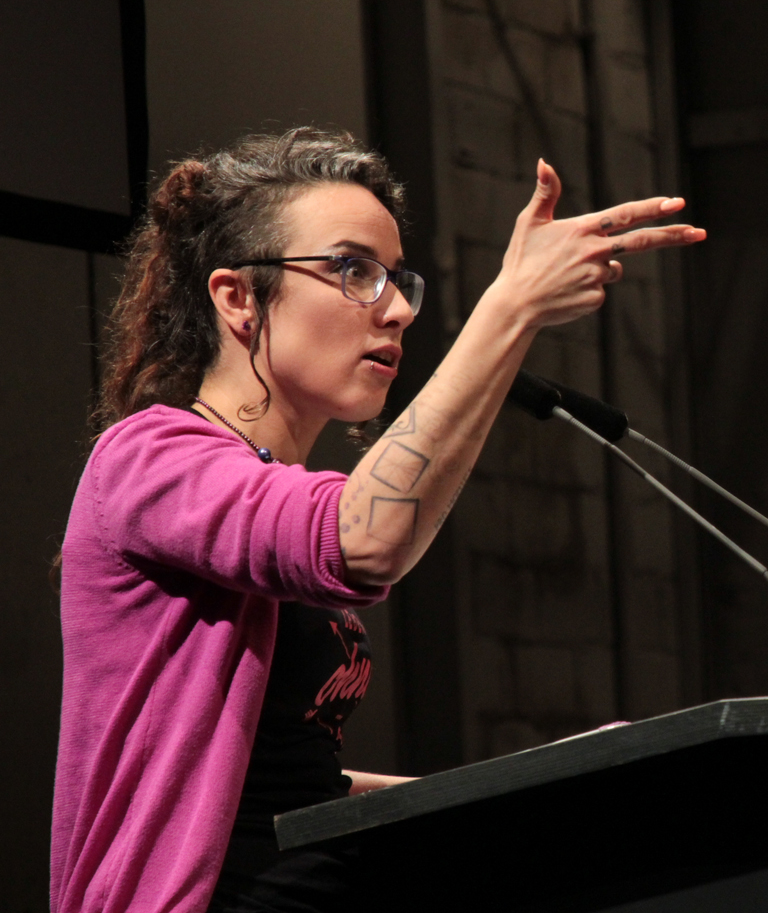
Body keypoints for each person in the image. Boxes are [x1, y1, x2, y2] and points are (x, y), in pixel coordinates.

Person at [50, 128, 704, 913]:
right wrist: (509, 308)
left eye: (396, 280)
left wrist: (531, 783)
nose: (394, 310)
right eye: (352, 271)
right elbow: (362, 540)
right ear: (237, 298)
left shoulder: (272, 486)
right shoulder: (147, 458)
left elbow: (294, 788)